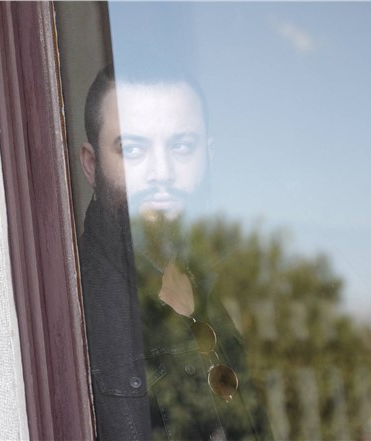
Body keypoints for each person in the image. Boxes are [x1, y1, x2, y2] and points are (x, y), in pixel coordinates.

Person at [77, 62, 273, 440]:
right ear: (91, 165)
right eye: (132, 149)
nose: (163, 172)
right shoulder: (73, 305)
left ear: (208, 155)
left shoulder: (218, 276)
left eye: (181, 147)